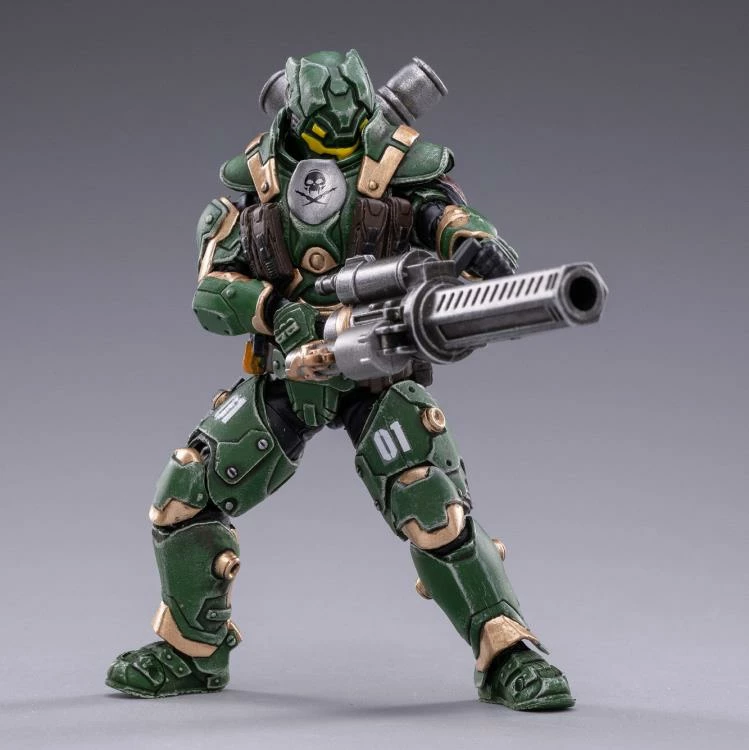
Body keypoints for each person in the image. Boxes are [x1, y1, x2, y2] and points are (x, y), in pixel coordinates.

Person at [106, 50, 574, 710]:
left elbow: (449, 221)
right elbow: (210, 296)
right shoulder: (255, 190)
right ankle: (190, 650)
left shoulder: (397, 173)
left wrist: (476, 246)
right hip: (288, 370)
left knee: (431, 503)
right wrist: (276, 311)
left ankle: (507, 650)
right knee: (183, 493)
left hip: (374, 368)